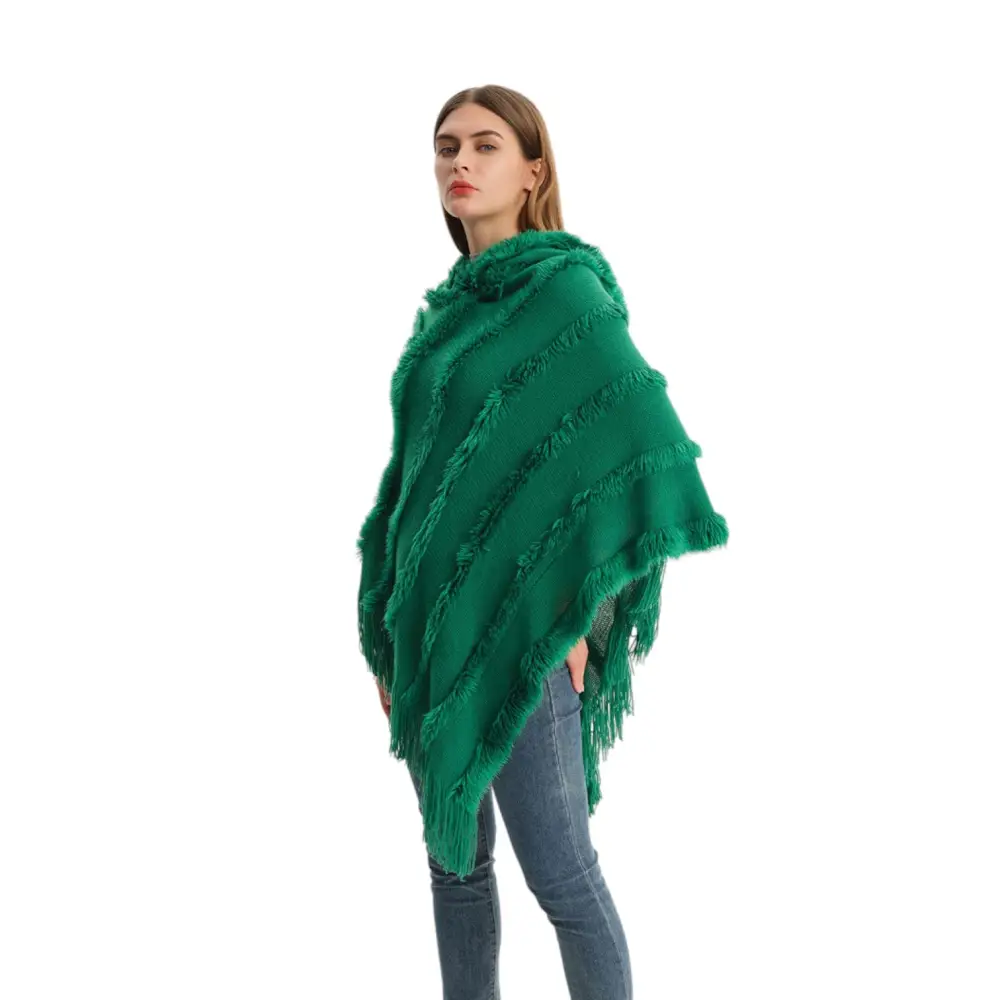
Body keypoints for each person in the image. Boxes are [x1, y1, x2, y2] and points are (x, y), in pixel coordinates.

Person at [360, 83, 728, 1000]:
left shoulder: (566, 294)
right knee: (455, 868)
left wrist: (578, 614)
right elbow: (421, 487)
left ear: (533, 172)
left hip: (528, 638)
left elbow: (631, 443)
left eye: (485, 146)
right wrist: (394, 629)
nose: (460, 162)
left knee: (562, 877)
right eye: (447, 146)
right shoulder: (447, 318)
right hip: (432, 639)